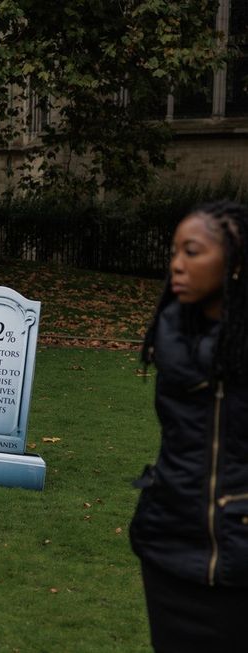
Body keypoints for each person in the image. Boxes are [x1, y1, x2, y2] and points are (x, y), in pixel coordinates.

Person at [130, 200, 248, 651]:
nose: (177, 265)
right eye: (174, 252)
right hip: (169, 550)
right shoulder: (172, 331)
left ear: (235, 260)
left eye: (192, 252)